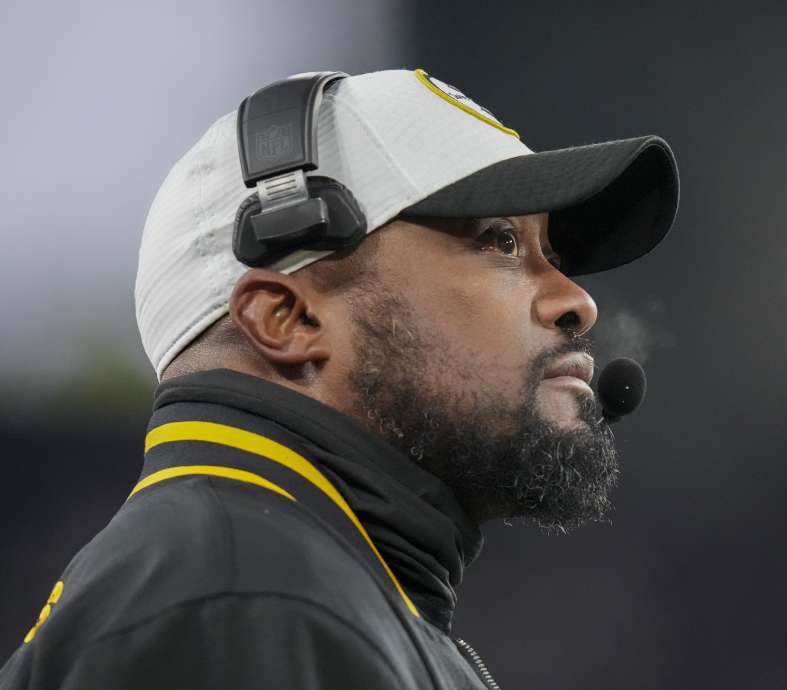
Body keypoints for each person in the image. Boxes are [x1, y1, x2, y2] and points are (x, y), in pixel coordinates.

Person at [0, 68, 678, 689]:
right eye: (498, 241)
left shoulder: (284, 590)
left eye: (551, 253)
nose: (578, 301)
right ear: (287, 319)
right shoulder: (248, 609)